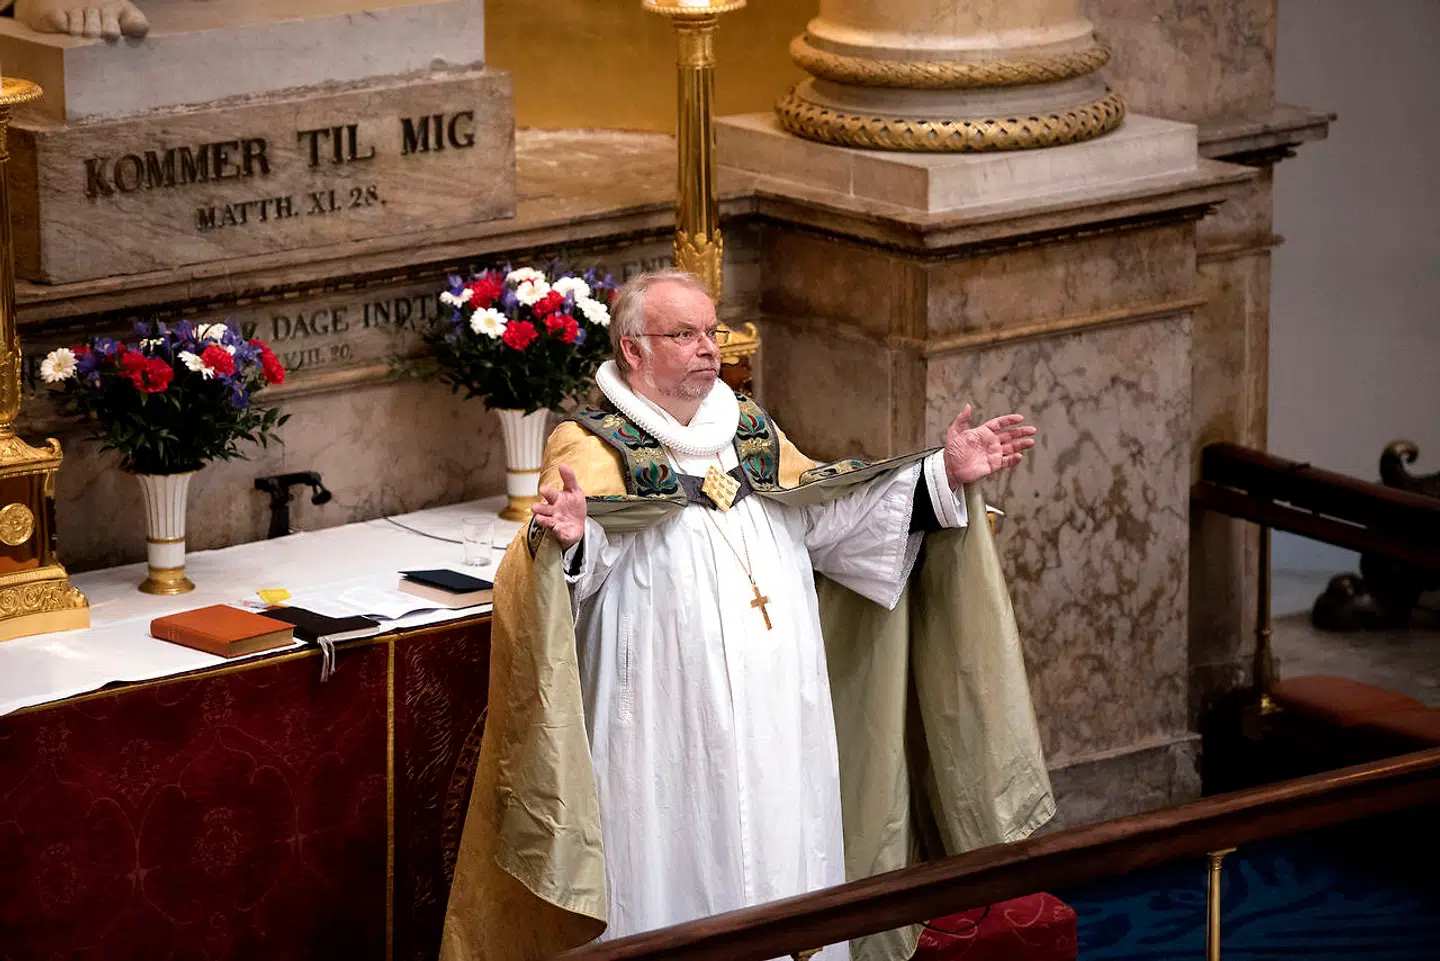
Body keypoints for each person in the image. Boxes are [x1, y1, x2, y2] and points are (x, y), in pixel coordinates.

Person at [441, 270, 1054, 961]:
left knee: (786, 853)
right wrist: (573, 539)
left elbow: (831, 518)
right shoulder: (590, 449)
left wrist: (939, 475)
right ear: (634, 350)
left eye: (711, 331)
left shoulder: (753, 433)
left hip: (781, 722)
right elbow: (561, 583)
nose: (709, 348)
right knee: (672, 868)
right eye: (684, 334)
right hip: (661, 727)